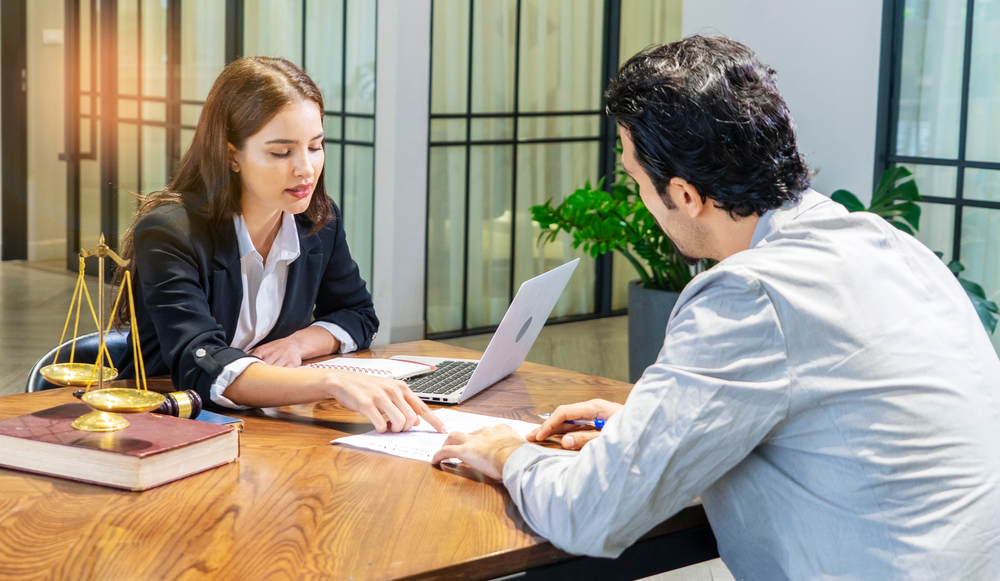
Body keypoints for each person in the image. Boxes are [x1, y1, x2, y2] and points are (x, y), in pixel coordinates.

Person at [432, 35, 1000, 580]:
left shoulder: (750, 293)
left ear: (683, 195)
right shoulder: (885, 241)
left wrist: (506, 454)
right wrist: (655, 429)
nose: (640, 199)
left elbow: (591, 513)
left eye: (636, 180)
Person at [113, 56, 444, 434]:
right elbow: (201, 362)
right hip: (169, 424)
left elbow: (358, 315)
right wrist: (333, 380)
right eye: (282, 152)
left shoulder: (317, 221)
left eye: (315, 146)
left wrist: (299, 344)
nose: (305, 169)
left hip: (265, 424)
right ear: (231, 154)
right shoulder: (170, 233)